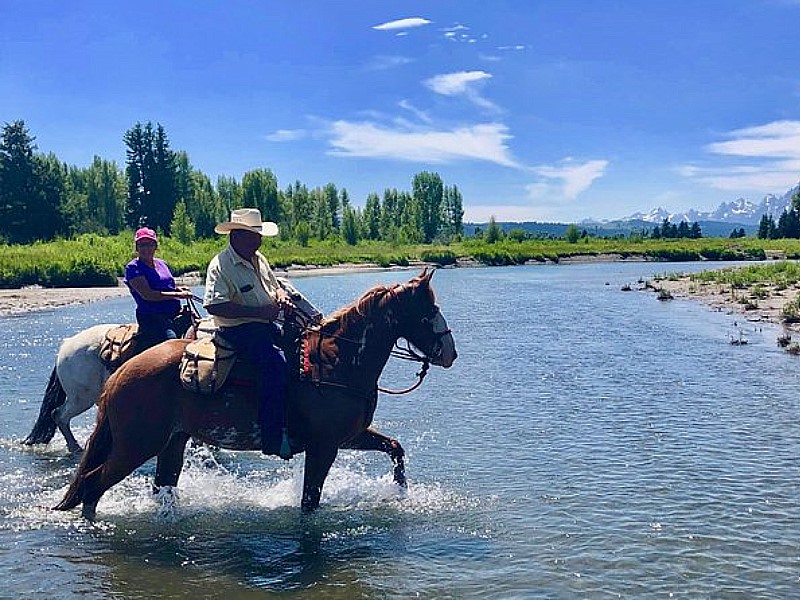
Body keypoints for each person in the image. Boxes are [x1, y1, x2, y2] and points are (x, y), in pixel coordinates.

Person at [203, 208, 296, 458]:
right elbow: (214, 305)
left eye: (259, 235)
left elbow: (274, 286)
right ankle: (273, 438)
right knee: (275, 365)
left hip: (264, 324)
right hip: (238, 330)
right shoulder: (221, 265)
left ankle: (298, 417)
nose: (260, 240)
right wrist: (259, 313)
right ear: (237, 237)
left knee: (303, 349)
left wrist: (281, 296)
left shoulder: (259, 258)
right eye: (255, 235)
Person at [124, 227, 193, 348]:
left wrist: (179, 289)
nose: (146, 248)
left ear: (155, 246)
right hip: (152, 318)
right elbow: (148, 295)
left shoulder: (162, 263)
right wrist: (178, 295)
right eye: (142, 245)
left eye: (150, 244)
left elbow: (166, 286)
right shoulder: (133, 268)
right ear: (137, 247)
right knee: (173, 343)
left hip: (174, 313)